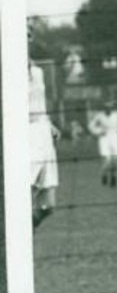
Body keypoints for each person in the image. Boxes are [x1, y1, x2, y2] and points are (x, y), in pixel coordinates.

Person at [28, 28, 59, 231]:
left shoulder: (37, 72)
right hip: (22, 134)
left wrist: (49, 123)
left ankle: (18, 237)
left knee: (48, 204)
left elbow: (39, 103)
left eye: (28, 34)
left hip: (42, 133)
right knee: (21, 198)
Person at [88, 100, 117, 188]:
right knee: (106, 159)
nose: (108, 109)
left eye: (110, 108)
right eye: (106, 108)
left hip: (114, 137)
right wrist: (98, 132)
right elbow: (91, 126)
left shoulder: (116, 115)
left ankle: (113, 176)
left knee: (116, 158)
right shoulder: (99, 116)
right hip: (104, 138)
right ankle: (104, 174)